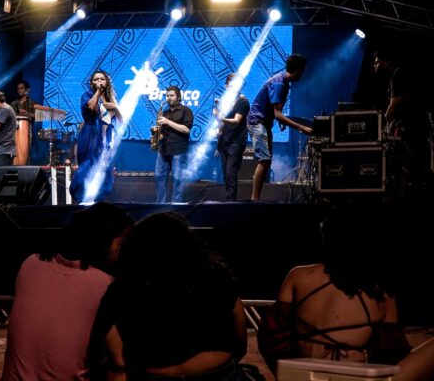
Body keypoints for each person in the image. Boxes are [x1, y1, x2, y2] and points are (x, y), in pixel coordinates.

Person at [257, 204, 434, 381]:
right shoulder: (379, 289)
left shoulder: (298, 276)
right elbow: (391, 353)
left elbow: (271, 339)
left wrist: (290, 372)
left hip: (303, 375)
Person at [87, 211, 261, 381]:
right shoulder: (218, 281)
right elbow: (239, 345)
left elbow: (117, 359)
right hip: (219, 373)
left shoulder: (120, 289)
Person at [0, 202, 134, 381]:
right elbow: (119, 362)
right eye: (122, 243)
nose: (124, 251)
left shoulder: (30, 263)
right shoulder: (104, 284)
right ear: (104, 240)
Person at [246, 54, 312, 201]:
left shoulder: (285, 83)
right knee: (264, 159)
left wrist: (281, 120)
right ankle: (254, 200)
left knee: (267, 160)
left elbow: (276, 110)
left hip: (264, 122)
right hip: (257, 122)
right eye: (302, 71)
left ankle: (256, 199)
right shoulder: (279, 84)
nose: (302, 74)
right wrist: (302, 128)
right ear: (297, 70)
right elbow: (278, 114)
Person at [373, 50, 432, 197]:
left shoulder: (398, 74)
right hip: (414, 124)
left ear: (386, 62)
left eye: (377, 62)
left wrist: (381, 124)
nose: (374, 65)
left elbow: (395, 104)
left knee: (408, 162)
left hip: (411, 126)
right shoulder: (398, 74)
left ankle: (408, 194)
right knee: (409, 163)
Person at [69, 70, 122, 203]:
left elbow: (120, 120)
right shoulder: (87, 95)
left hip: (106, 137)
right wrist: (98, 92)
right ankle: (80, 196)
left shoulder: (109, 99)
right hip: (91, 135)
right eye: (96, 79)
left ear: (107, 82)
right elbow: (92, 107)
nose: (99, 81)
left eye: (102, 79)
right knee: (88, 166)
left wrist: (116, 107)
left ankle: (98, 200)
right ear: (91, 83)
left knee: (104, 170)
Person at [154, 85, 194, 203]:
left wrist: (167, 122)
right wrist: (158, 133)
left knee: (177, 179)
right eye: (167, 96)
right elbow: (162, 130)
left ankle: (177, 205)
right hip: (164, 148)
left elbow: (186, 129)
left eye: (171, 95)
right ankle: (160, 204)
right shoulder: (164, 112)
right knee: (158, 176)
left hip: (178, 149)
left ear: (178, 97)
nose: (168, 98)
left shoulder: (186, 111)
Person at [216, 73, 251, 201]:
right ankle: (229, 200)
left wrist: (220, 118)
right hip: (224, 141)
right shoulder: (225, 102)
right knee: (226, 175)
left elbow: (236, 121)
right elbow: (222, 123)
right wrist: (218, 136)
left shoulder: (243, 101)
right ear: (226, 86)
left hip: (235, 142)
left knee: (231, 174)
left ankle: (231, 203)